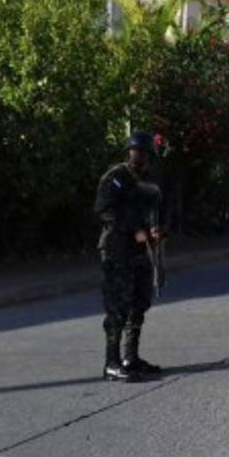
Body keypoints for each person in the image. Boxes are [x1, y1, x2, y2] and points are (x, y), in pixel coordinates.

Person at [94, 131, 164, 382]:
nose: (140, 157)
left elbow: (156, 210)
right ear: (128, 152)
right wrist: (134, 231)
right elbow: (104, 210)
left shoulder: (149, 182)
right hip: (116, 248)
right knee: (117, 308)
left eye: (145, 154)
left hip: (140, 251)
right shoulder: (116, 178)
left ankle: (130, 357)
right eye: (136, 152)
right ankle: (111, 363)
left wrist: (156, 230)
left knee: (138, 305)